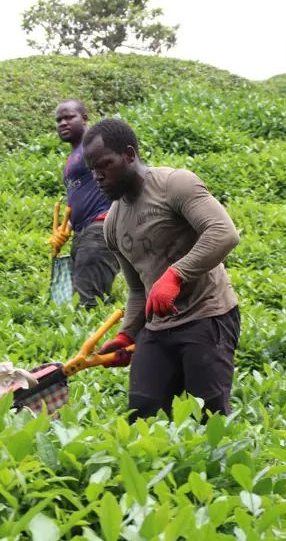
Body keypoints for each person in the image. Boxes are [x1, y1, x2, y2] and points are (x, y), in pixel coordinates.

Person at [82, 117, 242, 423]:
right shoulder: (113, 224)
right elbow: (137, 289)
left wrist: (175, 275)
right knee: (142, 414)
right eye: (92, 170)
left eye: (105, 165)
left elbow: (223, 232)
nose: (98, 176)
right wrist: (127, 334)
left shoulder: (174, 185)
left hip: (206, 316)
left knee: (207, 417)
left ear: (129, 155)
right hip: (157, 328)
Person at [49, 99, 120, 308]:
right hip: (83, 232)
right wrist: (65, 229)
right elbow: (80, 197)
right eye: (58, 119)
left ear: (85, 118)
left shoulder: (98, 144)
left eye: (69, 117)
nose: (62, 123)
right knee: (74, 301)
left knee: (87, 302)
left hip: (101, 227)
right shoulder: (74, 155)